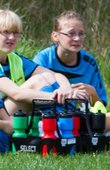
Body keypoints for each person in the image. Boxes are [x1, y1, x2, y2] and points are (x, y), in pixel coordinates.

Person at [1, 9, 89, 152]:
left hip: (12, 112)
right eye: (6, 32)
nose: (12, 37)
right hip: (3, 117)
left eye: (16, 33)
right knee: (39, 80)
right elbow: (16, 93)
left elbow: (54, 75)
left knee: (45, 77)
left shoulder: (15, 59)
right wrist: (55, 97)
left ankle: (65, 126)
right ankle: (67, 126)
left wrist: (66, 89)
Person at [33, 11, 110, 131]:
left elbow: (100, 108)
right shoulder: (43, 59)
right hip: (52, 114)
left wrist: (92, 92)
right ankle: (84, 131)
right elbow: (35, 96)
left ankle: (78, 130)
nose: (77, 38)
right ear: (55, 36)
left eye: (81, 34)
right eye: (71, 33)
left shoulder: (89, 62)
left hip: (83, 115)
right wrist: (70, 93)